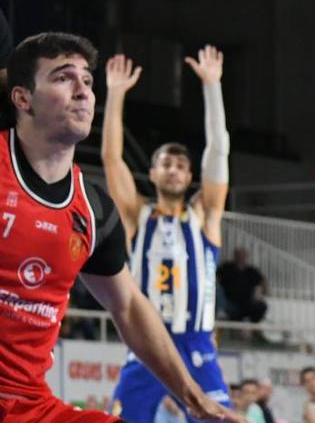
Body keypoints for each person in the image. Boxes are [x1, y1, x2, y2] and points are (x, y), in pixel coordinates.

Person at [0, 32, 236, 423]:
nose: (82, 91)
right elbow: (112, 156)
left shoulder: (95, 211)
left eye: (88, 82)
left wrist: (194, 397)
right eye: (63, 78)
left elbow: (127, 304)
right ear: (22, 98)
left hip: (32, 404)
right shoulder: (134, 212)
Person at [104, 48, 235, 423]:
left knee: (221, 419)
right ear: (154, 173)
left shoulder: (205, 216)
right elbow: (113, 159)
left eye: (181, 165)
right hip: (147, 343)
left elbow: (218, 151)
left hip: (195, 343)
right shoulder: (137, 214)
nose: (175, 170)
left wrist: (212, 86)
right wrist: (115, 95)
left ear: (190, 177)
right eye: (166, 164)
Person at [217, 247, 268, 324]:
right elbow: (215, 278)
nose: (240, 258)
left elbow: (262, 281)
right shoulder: (226, 268)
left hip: (247, 302)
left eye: (242, 256)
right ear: (235, 256)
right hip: (230, 302)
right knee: (231, 310)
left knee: (261, 306)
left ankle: (253, 329)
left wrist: (262, 293)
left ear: (246, 257)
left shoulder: (251, 271)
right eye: (238, 255)